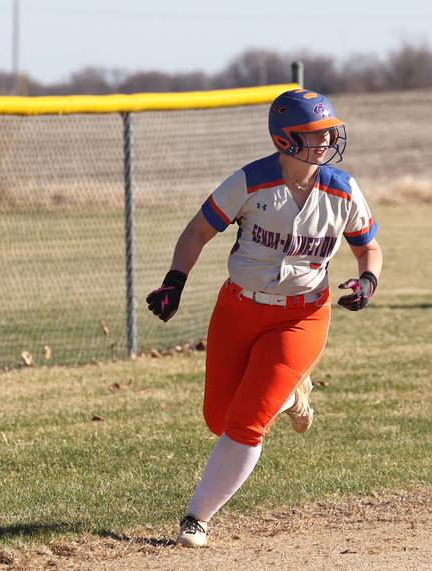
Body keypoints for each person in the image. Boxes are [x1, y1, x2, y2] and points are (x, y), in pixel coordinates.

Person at [146, 89, 382, 547]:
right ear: (284, 140)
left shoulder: (342, 188)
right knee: (219, 418)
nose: (326, 139)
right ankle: (292, 394)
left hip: (302, 316)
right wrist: (175, 280)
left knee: (246, 424)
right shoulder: (251, 182)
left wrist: (367, 281)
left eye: (328, 130)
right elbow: (197, 230)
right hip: (238, 309)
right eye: (313, 133)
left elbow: (367, 246)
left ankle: (196, 518)